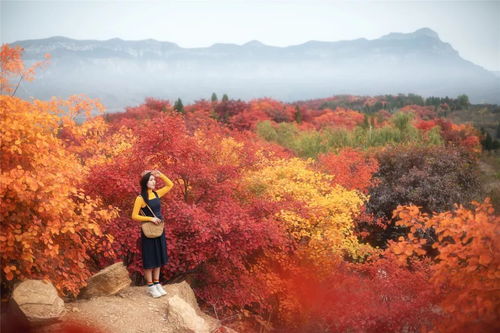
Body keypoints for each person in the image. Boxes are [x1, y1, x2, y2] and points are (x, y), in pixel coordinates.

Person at [131, 169, 174, 298]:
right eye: (151, 179)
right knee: (150, 258)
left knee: (159, 257)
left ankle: (156, 283)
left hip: (159, 229)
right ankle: (150, 286)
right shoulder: (140, 198)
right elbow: (134, 216)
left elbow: (170, 185)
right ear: (145, 182)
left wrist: (160, 175)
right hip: (149, 231)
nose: (154, 181)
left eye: (154, 179)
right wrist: (150, 218)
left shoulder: (156, 194)